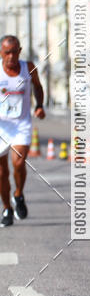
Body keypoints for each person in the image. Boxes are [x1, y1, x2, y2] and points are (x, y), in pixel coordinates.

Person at [0, 36, 45, 227]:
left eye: (14, 51)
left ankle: (18, 194)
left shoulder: (28, 67)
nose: (11, 56)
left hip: (21, 124)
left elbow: (37, 86)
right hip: (1, 126)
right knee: (1, 172)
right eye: (6, 52)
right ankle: (7, 209)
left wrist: (40, 105)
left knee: (18, 163)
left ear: (20, 51)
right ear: (1, 53)